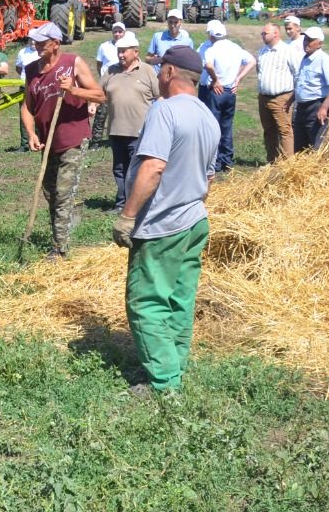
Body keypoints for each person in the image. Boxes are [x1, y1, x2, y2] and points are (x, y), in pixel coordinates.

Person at [111, 44, 219, 395]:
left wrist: (128, 217)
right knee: (179, 298)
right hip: (194, 220)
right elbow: (209, 177)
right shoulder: (207, 116)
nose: (157, 75)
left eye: (160, 70)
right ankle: (174, 362)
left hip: (163, 225)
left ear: (170, 72)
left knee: (146, 301)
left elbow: (154, 166)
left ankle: (163, 383)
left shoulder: (164, 111)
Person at [20, 21, 106, 257]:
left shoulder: (72, 64)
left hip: (73, 139)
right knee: (51, 192)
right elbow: (27, 107)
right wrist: (31, 134)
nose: (36, 46)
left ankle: (59, 249)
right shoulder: (31, 70)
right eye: (35, 42)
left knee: (63, 192)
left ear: (55, 44)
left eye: (41, 43)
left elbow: (100, 96)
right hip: (48, 142)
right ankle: (66, 222)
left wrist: (74, 91)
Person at [101, 31, 160, 210]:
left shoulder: (147, 71)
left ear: (135, 51)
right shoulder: (111, 71)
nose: (120, 54)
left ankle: (138, 204)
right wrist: (91, 104)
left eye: (124, 51)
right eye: (119, 51)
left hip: (139, 131)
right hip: (116, 129)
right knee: (119, 169)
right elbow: (97, 92)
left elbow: (161, 97)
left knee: (137, 171)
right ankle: (121, 203)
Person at [197, 20, 255, 173]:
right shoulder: (235, 47)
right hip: (230, 92)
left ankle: (214, 162)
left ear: (211, 35)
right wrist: (238, 78)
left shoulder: (213, 48)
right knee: (226, 126)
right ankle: (227, 160)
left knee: (213, 126)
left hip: (215, 92)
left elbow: (208, 65)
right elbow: (251, 61)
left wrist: (215, 80)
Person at [254, 23, 301, 162]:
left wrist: (292, 98)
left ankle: (288, 165)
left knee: (285, 131)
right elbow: (259, 71)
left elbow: (298, 74)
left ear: (276, 33)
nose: (263, 35)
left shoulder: (288, 51)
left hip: (282, 98)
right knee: (268, 131)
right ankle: (272, 162)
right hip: (264, 98)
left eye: (265, 33)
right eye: (262, 33)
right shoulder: (262, 51)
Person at [292, 25, 329, 151]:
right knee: (300, 146)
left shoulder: (323, 59)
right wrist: (290, 101)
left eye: (310, 40)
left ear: (319, 43)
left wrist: (324, 108)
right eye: (305, 39)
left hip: (315, 107)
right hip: (301, 107)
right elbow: (301, 83)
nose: (306, 43)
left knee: (316, 144)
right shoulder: (305, 59)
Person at [13, 36, 41, 149]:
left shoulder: (41, 52)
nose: (33, 42)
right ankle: (24, 143)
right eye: (31, 40)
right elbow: (18, 68)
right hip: (24, 86)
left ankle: (40, 141)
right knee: (24, 113)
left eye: (35, 40)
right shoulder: (22, 52)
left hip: (39, 86)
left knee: (39, 113)